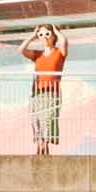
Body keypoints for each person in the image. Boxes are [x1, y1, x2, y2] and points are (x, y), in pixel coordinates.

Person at [20, 22, 69, 156]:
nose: (45, 37)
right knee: (36, 122)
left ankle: (44, 150)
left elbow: (64, 41)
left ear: (53, 36)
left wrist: (55, 30)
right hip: (37, 92)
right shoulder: (38, 55)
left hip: (52, 93)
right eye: (41, 35)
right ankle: (40, 150)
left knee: (48, 121)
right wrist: (32, 36)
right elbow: (21, 50)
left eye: (47, 34)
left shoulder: (59, 53)